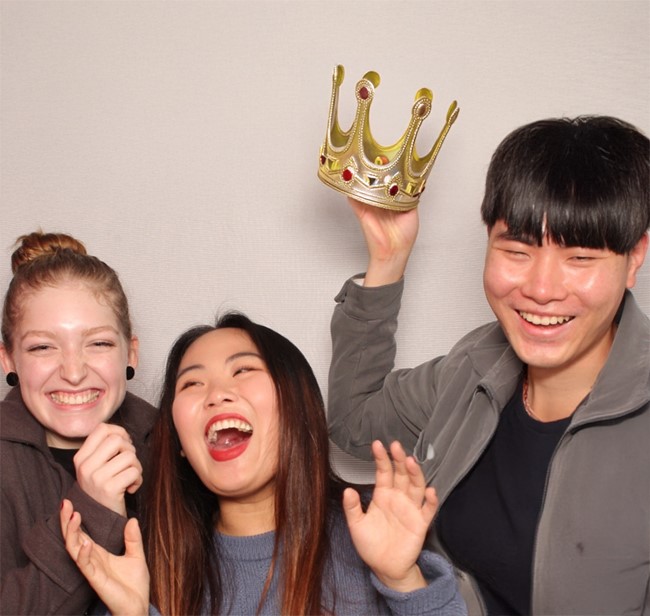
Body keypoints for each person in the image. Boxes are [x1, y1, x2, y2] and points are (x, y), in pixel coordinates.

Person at [327, 116, 650, 615]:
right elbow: (354, 420)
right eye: (516, 250)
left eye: (580, 258)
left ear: (634, 258)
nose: (541, 290)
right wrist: (388, 262)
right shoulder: (474, 366)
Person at [59, 311, 467, 615]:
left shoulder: (375, 527)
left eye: (243, 370)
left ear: (296, 406)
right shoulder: (140, 564)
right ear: (180, 442)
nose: (217, 394)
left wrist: (403, 579)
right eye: (192, 383)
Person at [0, 231, 158, 614]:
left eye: (99, 343)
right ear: (8, 360)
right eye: (42, 347)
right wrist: (93, 508)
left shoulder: (174, 445)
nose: (73, 372)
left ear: (130, 352)